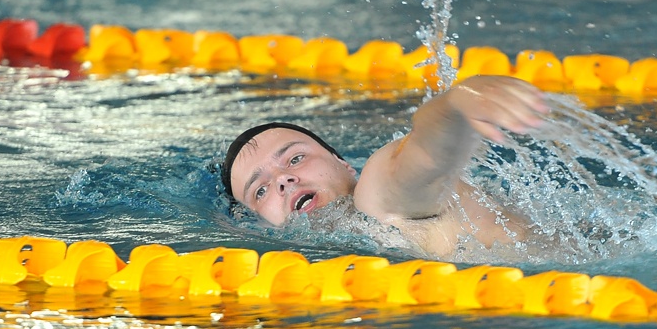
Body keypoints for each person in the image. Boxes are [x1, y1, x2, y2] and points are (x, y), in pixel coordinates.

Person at [221, 75, 549, 257]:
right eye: (260, 190)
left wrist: (456, 103)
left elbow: (426, 153)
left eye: (295, 158)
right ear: (257, 223)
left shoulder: (377, 193)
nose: (283, 179)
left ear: (343, 164)